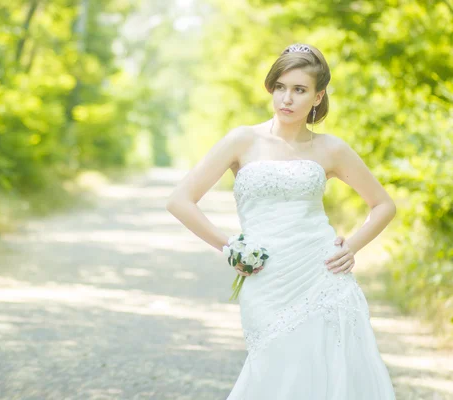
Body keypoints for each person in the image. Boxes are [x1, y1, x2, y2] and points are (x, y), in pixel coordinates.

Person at [165, 43, 397, 399]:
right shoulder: (243, 139)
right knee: (273, 369)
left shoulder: (331, 149)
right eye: (280, 87)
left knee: (326, 370)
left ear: (318, 96)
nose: (287, 98)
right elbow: (180, 200)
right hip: (267, 276)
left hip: (322, 274)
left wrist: (351, 246)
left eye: (300, 90)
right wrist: (231, 247)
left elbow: (382, 204)